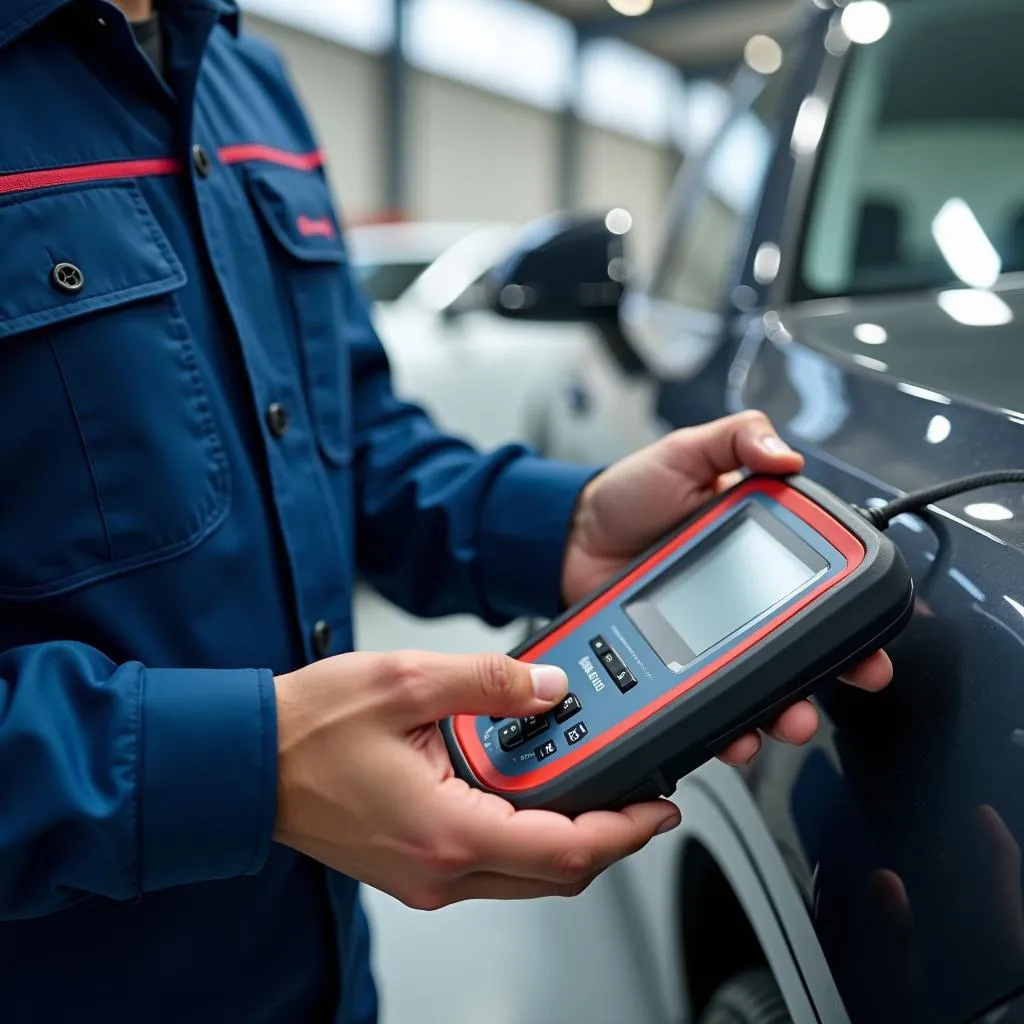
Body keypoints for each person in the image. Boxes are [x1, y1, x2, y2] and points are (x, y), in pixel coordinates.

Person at [0, 1, 892, 1020]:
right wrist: (254, 769)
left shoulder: (246, 83)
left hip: (322, 971)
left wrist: (571, 525)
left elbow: (350, 441)